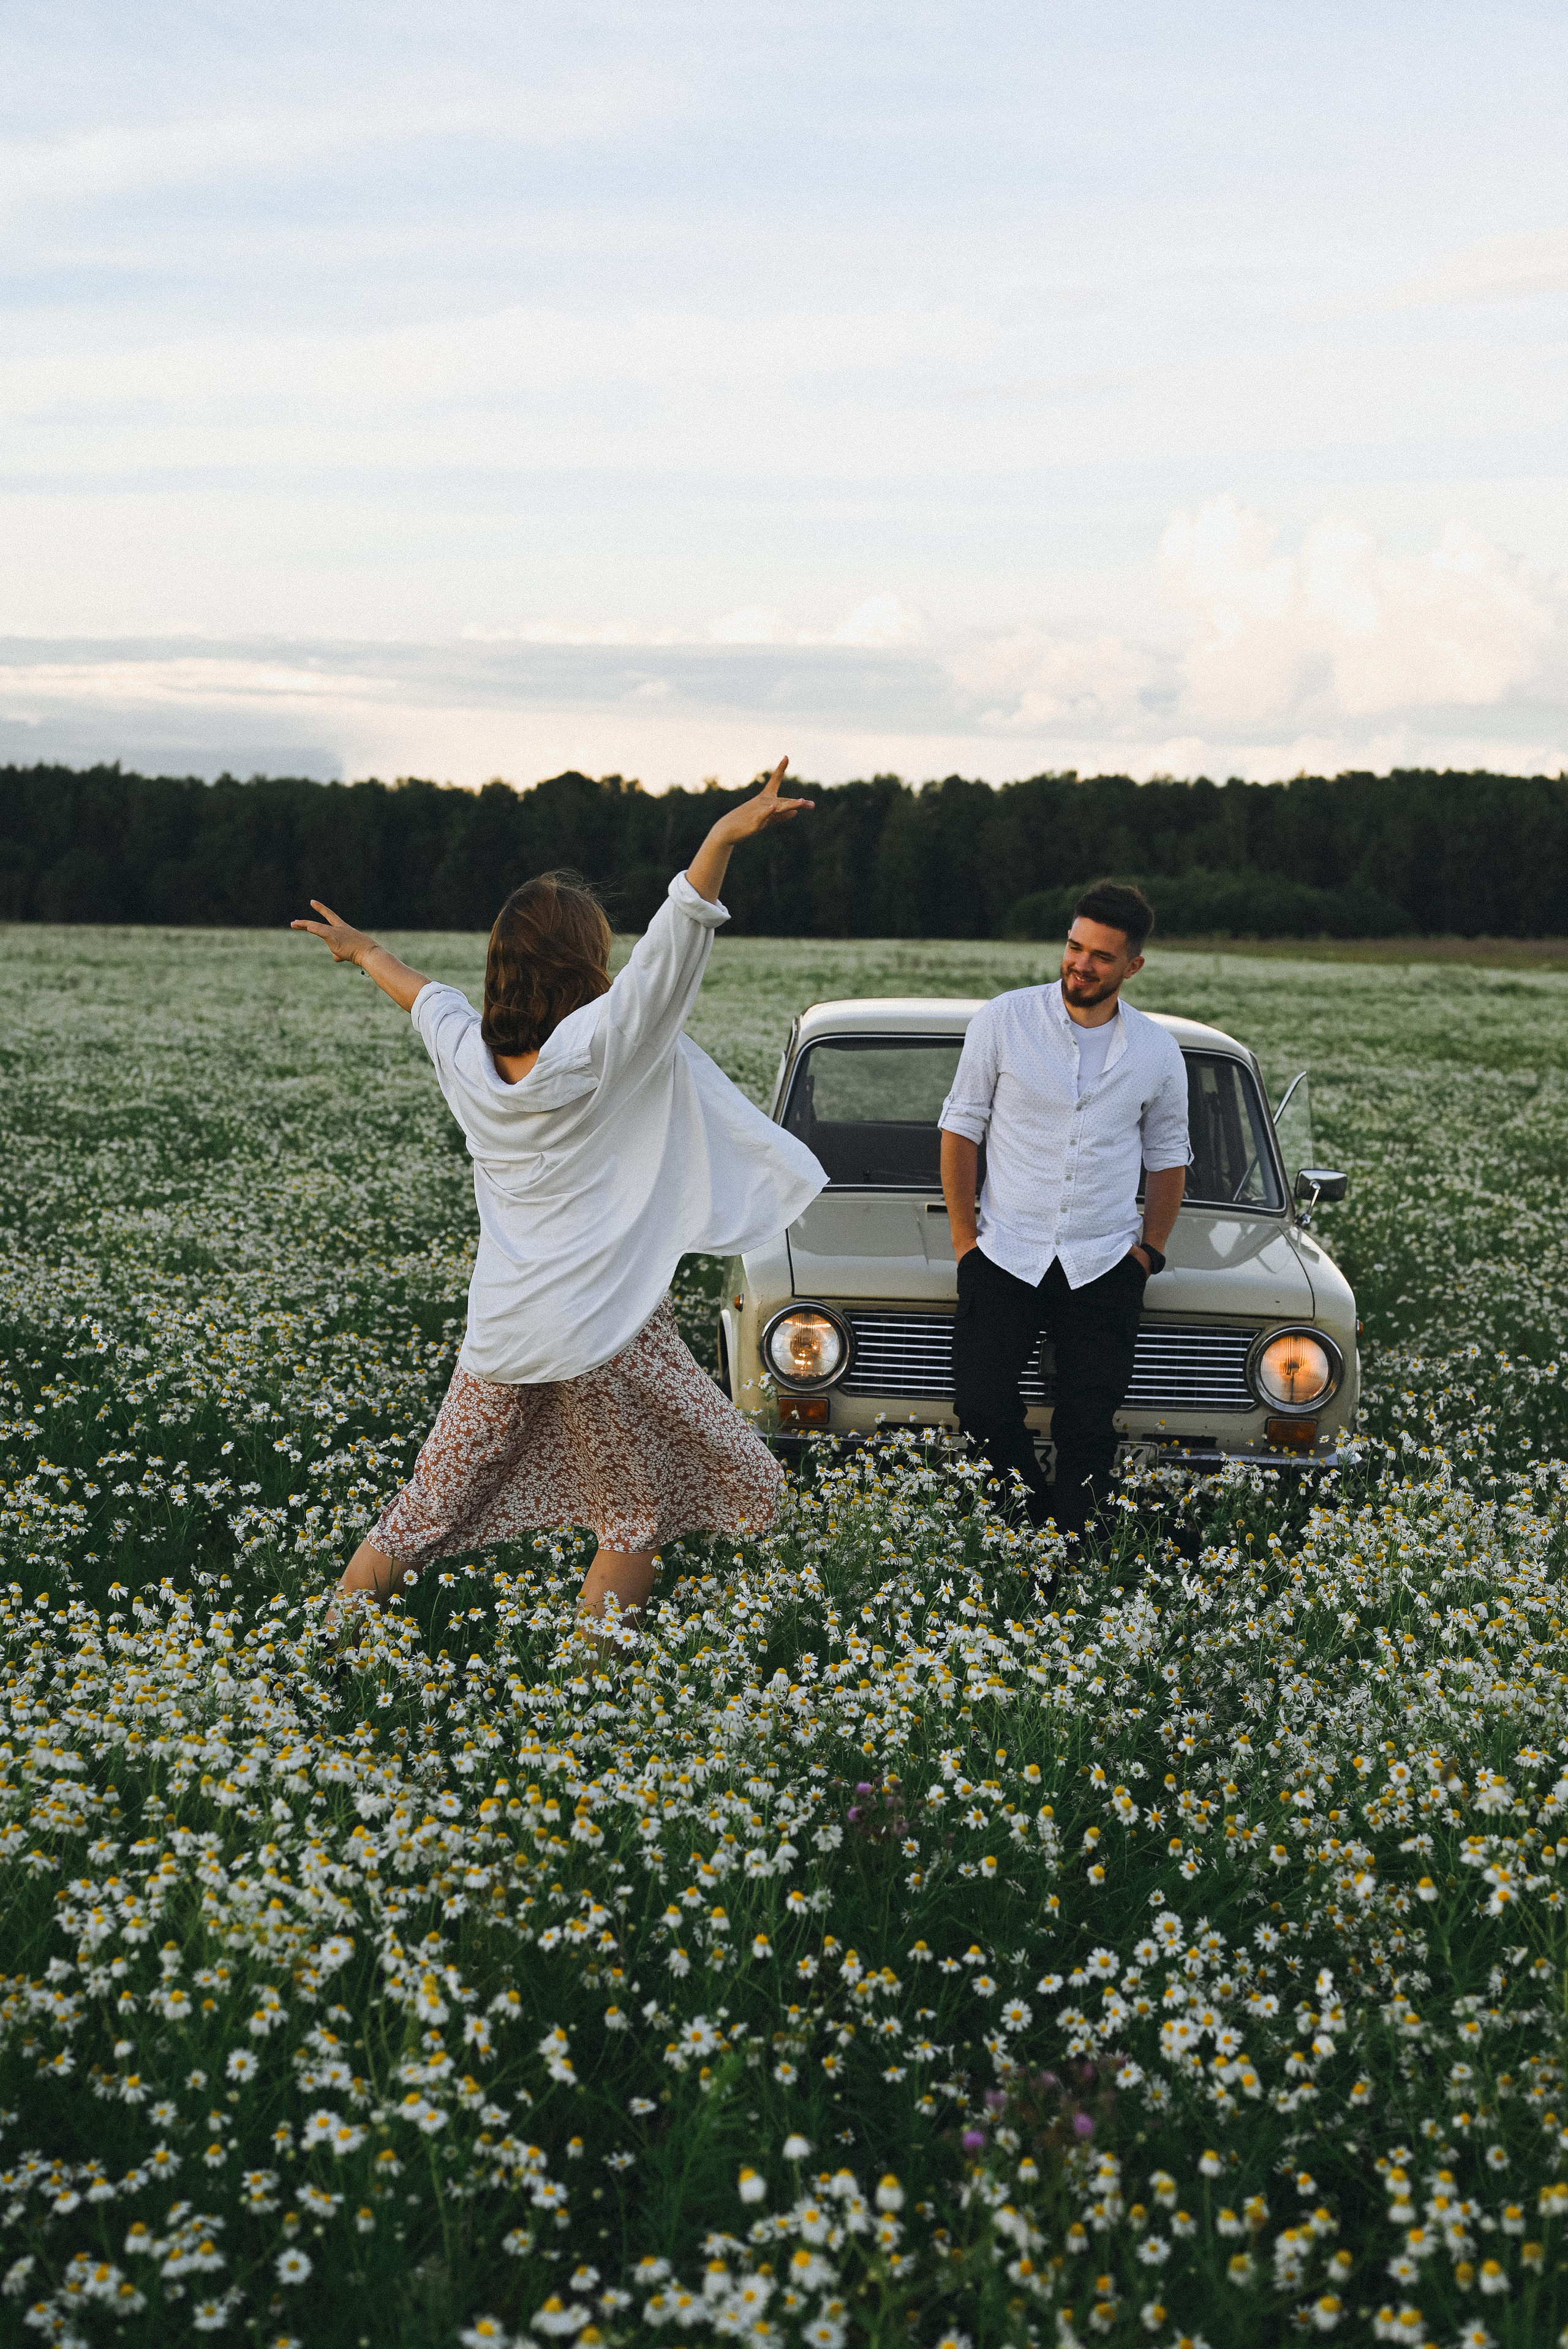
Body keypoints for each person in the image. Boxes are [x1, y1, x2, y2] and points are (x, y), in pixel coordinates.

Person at [291, 758, 826, 1627]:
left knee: (424, 1506)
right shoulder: (599, 1049)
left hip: (502, 1327)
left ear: (503, 964)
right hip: (600, 1327)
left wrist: (362, 951)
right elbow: (675, 945)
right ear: (583, 959)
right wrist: (720, 838)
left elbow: (424, 998)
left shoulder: (469, 1056)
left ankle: (325, 1647)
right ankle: (590, 1692)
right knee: (630, 1521)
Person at [938, 879, 1189, 1539]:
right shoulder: (1003, 1020)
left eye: (1101, 957)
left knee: (1088, 1418)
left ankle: (1073, 1547)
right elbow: (960, 1129)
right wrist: (966, 1243)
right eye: (1075, 947)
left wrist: (1148, 1252)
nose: (1081, 964)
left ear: (1132, 966)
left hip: (1105, 1260)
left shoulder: (1157, 1051)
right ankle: (1029, 1528)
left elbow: (1169, 1156)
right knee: (982, 1403)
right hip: (1003, 1252)